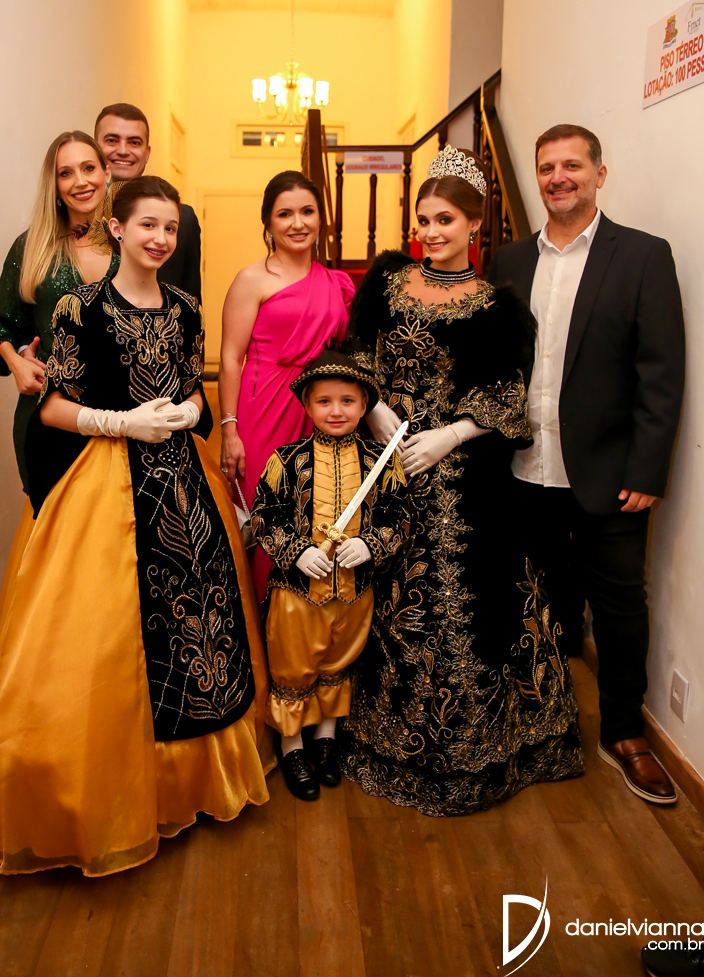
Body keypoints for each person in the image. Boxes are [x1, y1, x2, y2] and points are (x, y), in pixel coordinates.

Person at [0, 176, 272, 876]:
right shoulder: (80, 308)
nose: (160, 238)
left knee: (198, 621)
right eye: (148, 225)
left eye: (171, 229)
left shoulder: (187, 308)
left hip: (182, 480)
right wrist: (118, 422)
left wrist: (190, 412)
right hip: (105, 479)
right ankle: (111, 790)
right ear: (118, 228)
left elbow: (193, 388)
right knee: (106, 637)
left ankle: (193, 778)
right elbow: (52, 406)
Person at [339, 146, 584, 816]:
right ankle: (387, 734)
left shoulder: (495, 307)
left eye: (445, 220)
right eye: (424, 220)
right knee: (392, 597)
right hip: (390, 464)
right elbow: (357, 356)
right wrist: (377, 411)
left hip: (469, 480)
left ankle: (481, 748)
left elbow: (507, 394)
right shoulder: (387, 284)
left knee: (478, 604)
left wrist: (449, 435)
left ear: (475, 224)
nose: (431, 232)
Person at [488, 124, 685, 805]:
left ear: (600, 174)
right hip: (524, 468)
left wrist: (648, 470)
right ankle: (535, 718)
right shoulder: (509, 259)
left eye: (572, 165)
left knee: (621, 605)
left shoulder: (643, 256)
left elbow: (661, 373)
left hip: (609, 473)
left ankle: (624, 733)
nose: (558, 177)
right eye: (547, 167)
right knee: (530, 599)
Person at [250, 350, 410, 801]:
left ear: (364, 405)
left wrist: (372, 544)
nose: (336, 411)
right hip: (297, 595)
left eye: (347, 401)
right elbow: (263, 515)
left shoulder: (382, 462)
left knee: (339, 664)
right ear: (306, 405)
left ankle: (325, 738)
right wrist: (295, 551)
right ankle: (292, 746)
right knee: (293, 669)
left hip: (355, 593)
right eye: (324, 401)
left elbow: (401, 517)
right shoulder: (287, 460)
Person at [219, 171, 355, 599]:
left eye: (307, 211)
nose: (298, 223)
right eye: (285, 214)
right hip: (263, 408)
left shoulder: (336, 283)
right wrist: (229, 428)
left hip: (319, 409)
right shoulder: (251, 279)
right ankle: (262, 623)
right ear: (268, 223)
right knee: (267, 515)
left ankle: (306, 625)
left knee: (315, 515)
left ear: (320, 219)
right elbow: (230, 358)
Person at [0, 131, 117, 495]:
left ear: (106, 172)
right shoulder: (33, 247)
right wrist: (16, 361)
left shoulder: (131, 241)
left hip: (124, 416)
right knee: (58, 525)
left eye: (89, 168)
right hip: (50, 416)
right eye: (66, 173)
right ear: (54, 185)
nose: (80, 181)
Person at [94, 102, 202, 301]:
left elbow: (192, 303)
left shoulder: (184, 220)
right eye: (112, 140)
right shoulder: (78, 216)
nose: (123, 150)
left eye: (134, 142)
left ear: (147, 153)